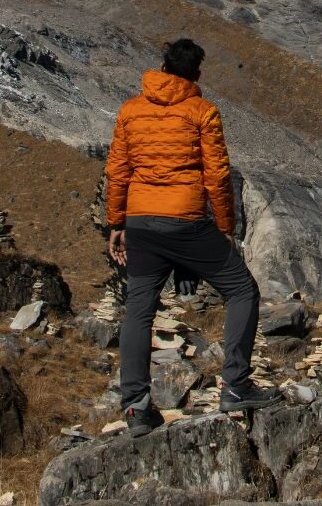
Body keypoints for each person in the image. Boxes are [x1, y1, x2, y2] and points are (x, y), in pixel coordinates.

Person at [105, 38, 280, 437]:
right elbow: (217, 175)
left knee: (138, 308)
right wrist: (225, 228)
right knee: (241, 290)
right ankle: (235, 385)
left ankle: (135, 406)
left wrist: (116, 222)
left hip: (141, 222)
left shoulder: (131, 110)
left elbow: (118, 169)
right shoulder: (202, 111)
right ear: (196, 73)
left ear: (162, 66)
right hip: (185, 219)